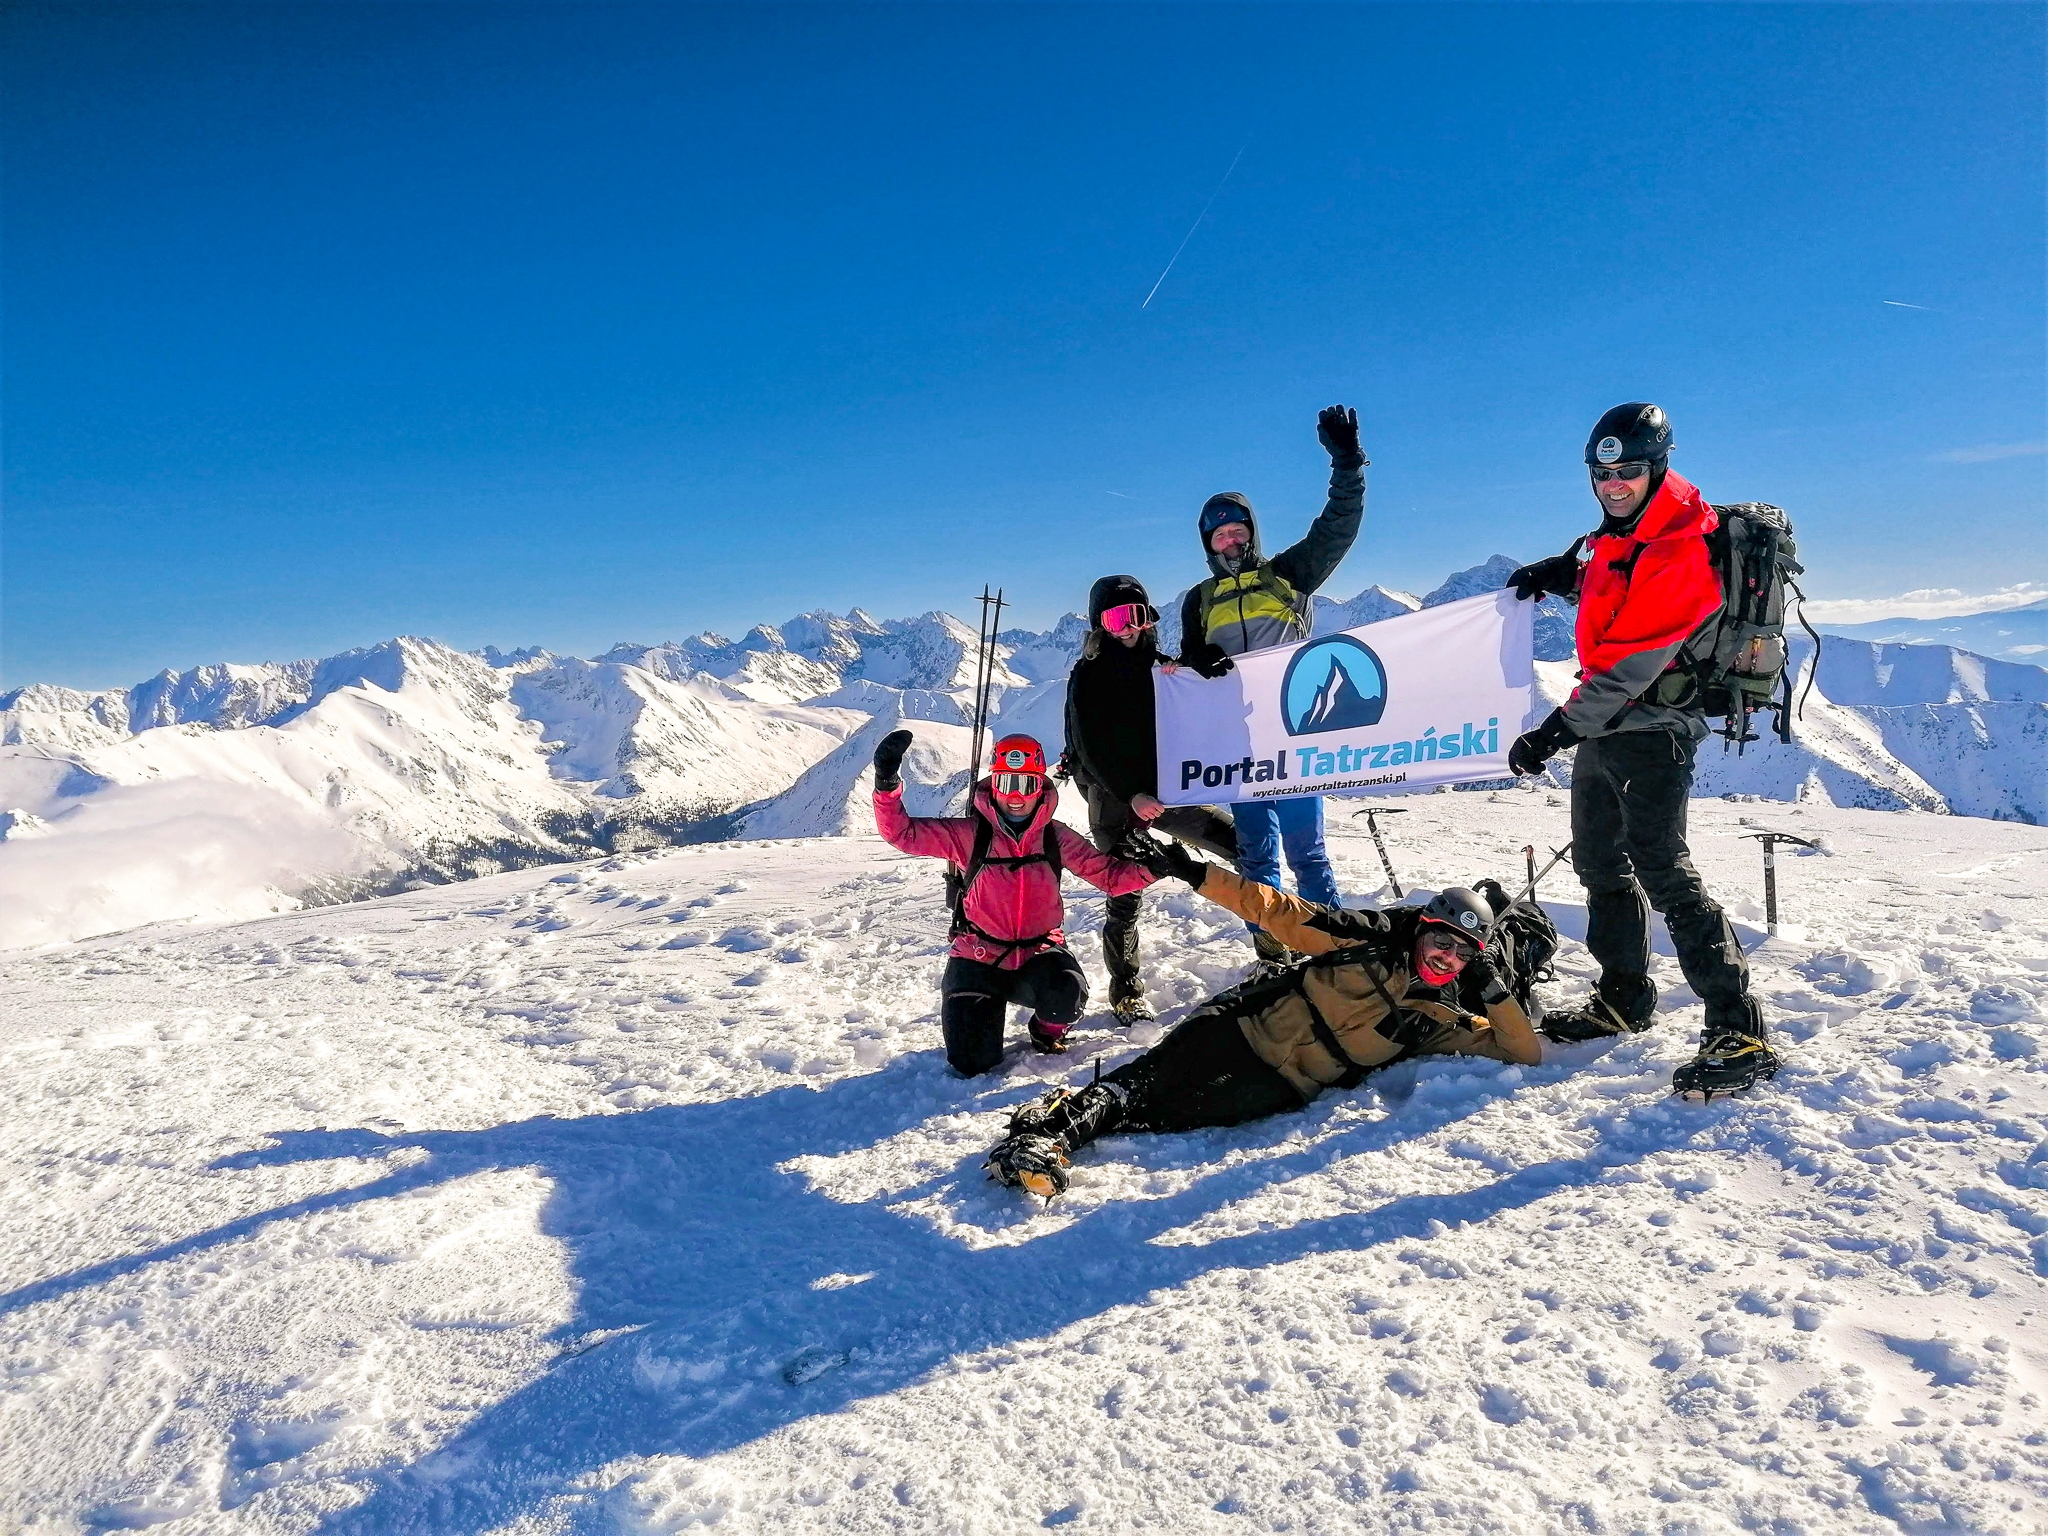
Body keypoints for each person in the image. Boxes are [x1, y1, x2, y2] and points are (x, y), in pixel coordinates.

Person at [984, 839, 1547, 1199]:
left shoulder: (1441, 1017)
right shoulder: (1366, 939)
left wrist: (1493, 989)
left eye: (1463, 953)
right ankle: (1046, 1138)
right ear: (1422, 927)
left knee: (1169, 1114)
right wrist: (1193, 871)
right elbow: (1274, 909)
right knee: (1143, 1084)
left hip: (1280, 1085)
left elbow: (1521, 1051)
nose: (1447, 956)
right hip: (1242, 1025)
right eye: (1440, 940)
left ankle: (1059, 1124)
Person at [1505, 402, 1774, 1098]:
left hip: (1654, 727)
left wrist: (1554, 733)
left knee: (1663, 868)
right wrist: (1559, 574)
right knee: (1600, 863)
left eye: (1627, 471)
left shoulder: (1682, 547)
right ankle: (1624, 998)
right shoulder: (1618, 536)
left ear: (1657, 467)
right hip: (1608, 727)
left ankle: (1738, 1027)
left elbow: (1631, 665)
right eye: (1602, 471)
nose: (1613, 482)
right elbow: (1608, 590)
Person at [1178, 404, 1366, 971]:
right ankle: (1270, 939)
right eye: (1219, 535)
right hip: (1239, 746)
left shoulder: (1288, 576)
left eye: (1238, 530)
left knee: (1307, 850)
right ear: (1208, 544)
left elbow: (1338, 527)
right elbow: (1189, 669)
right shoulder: (1199, 600)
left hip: (1294, 737)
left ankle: (1326, 937)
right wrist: (1199, 659)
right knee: (1256, 852)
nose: (1229, 541)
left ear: (1251, 533)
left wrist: (1348, 463)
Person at [870, 727, 1158, 1074]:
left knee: (1067, 995)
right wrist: (886, 784)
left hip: (1039, 952)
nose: (1016, 797)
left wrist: (1156, 868)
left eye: (1026, 785)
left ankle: (1044, 1031)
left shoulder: (1055, 837)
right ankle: (984, 1010)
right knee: (971, 1062)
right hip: (978, 956)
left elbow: (1110, 877)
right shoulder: (969, 835)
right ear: (994, 786)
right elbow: (903, 833)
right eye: (1007, 784)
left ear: (1041, 787)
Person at [1062, 573, 1239, 1026]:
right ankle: (1126, 992)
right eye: (1117, 616)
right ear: (1099, 623)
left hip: (1170, 791)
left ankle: (1275, 941)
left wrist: (1198, 668)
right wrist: (1131, 794)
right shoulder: (1087, 676)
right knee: (1125, 890)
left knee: (1237, 842)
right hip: (1115, 799)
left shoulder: (1165, 670)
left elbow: (1199, 714)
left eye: (1137, 615)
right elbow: (1090, 747)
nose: (1128, 627)